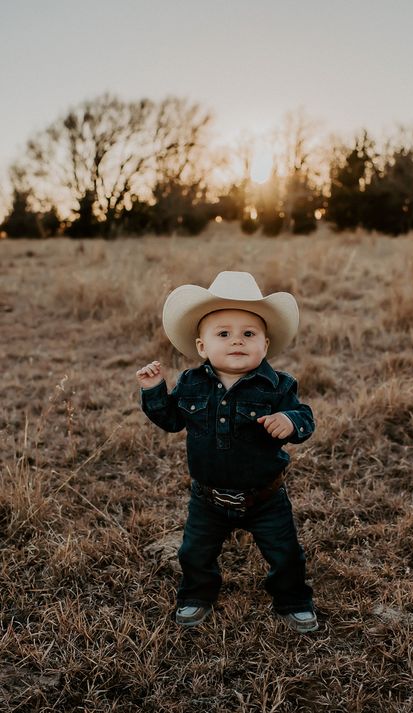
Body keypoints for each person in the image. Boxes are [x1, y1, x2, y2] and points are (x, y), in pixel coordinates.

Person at [136, 271, 317, 633]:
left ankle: (293, 600)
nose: (237, 341)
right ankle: (196, 596)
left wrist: (289, 420)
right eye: (223, 334)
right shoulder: (191, 383)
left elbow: (305, 418)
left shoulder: (278, 385)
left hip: (265, 495)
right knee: (194, 553)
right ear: (202, 346)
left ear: (265, 344)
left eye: (248, 334)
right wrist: (155, 390)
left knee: (285, 553)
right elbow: (172, 420)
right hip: (208, 497)